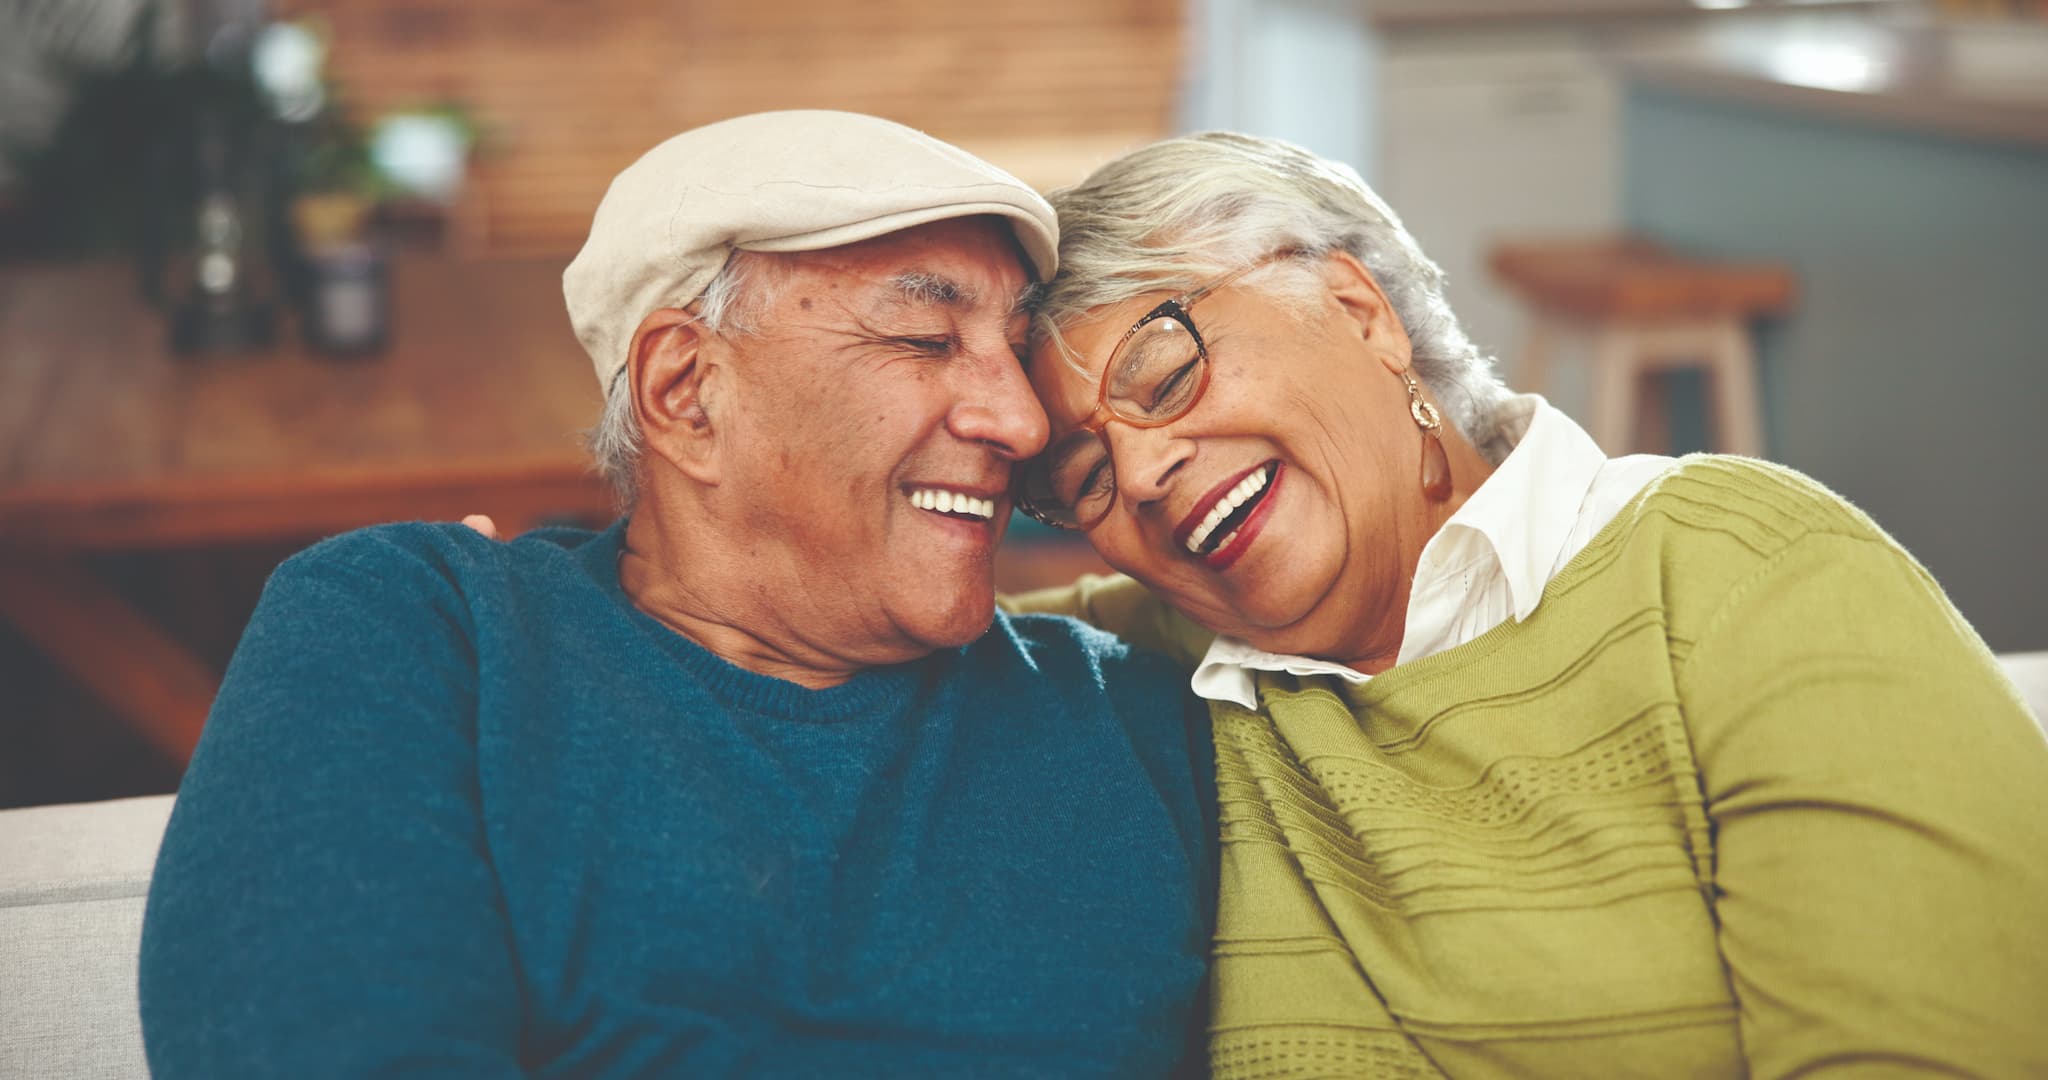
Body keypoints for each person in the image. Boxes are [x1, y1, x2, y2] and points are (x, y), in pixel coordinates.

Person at [137, 111, 1216, 1078]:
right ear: (684, 392)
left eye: (1014, 351)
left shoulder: (1133, 716)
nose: (1021, 423)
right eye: (926, 339)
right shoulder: (425, 634)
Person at [1004, 131, 2048, 1078]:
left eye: (1162, 371)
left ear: (1358, 311)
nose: (1138, 472)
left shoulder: (1741, 575)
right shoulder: (1133, 669)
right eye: (1082, 474)